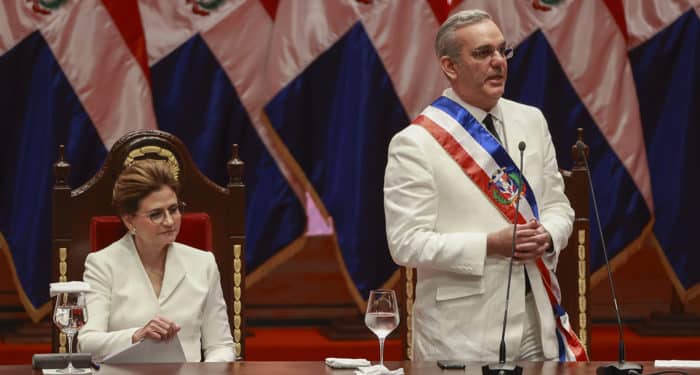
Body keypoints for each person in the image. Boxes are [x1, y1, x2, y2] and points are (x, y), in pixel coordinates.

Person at [383, 10, 577, 362]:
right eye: (483, 53)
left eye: (503, 51)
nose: (498, 62)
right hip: (464, 332)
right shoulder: (416, 142)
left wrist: (546, 235)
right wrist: (490, 245)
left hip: (539, 320)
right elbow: (406, 243)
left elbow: (558, 206)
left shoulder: (531, 121)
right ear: (450, 66)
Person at [78, 160, 235, 362]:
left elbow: (221, 346)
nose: (169, 221)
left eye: (174, 209)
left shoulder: (203, 263)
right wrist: (136, 335)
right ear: (129, 220)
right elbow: (87, 341)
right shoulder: (102, 264)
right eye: (156, 214)